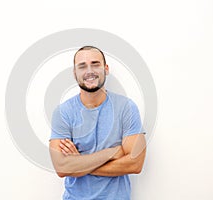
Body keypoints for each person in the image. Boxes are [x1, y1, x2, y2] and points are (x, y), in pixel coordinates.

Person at [49, 46, 146, 200]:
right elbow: (61, 168)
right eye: (82, 66)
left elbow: (135, 164)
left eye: (95, 64)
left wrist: (80, 163)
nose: (89, 71)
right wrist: (111, 153)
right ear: (75, 73)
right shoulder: (63, 112)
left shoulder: (126, 108)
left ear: (105, 69)